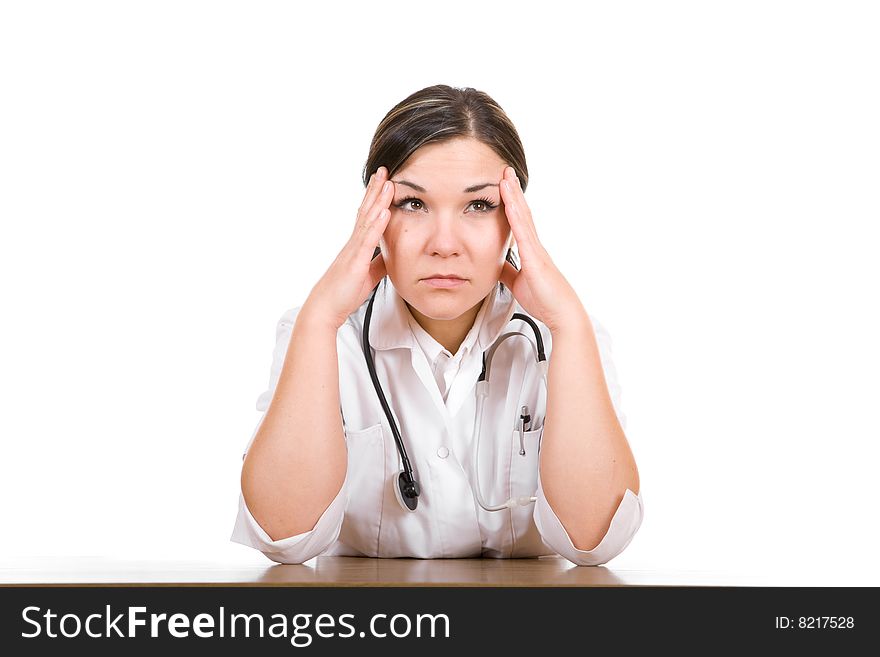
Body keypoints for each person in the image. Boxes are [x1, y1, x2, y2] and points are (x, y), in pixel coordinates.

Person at [231, 84, 643, 566]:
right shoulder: (326, 334)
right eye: (413, 204)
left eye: (479, 205)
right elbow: (282, 535)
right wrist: (319, 318)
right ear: (374, 214)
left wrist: (570, 325)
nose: (444, 244)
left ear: (515, 221)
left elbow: (595, 541)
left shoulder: (563, 337)